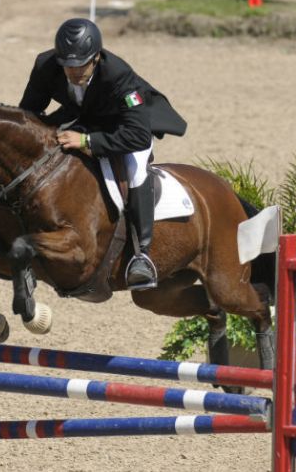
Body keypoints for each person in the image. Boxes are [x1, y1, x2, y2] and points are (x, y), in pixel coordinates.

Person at [18, 18, 187, 290]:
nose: (73, 72)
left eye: (80, 65)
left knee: (135, 168)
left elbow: (137, 135)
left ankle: (142, 255)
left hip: (127, 127)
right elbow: (28, 114)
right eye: (67, 66)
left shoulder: (119, 76)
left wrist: (87, 141)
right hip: (84, 117)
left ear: (96, 57)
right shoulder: (46, 65)